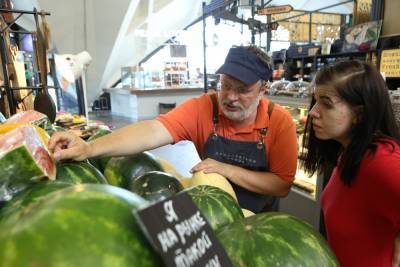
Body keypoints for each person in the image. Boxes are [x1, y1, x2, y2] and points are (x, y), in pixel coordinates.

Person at [49, 45, 298, 213]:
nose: (231, 97)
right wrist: (89, 148)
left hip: (257, 215)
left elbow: (281, 186)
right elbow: (152, 131)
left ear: (263, 89)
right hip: (210, 213)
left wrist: (226, 169)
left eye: (243, 90)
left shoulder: (280, 122)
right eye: (226, 85)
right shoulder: (204, 108)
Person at [301, 60, 400, 267]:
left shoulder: (380, 161)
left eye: (326, 103)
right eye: (315, 100)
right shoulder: (349, 152)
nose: (313, 112)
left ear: (359, 114)